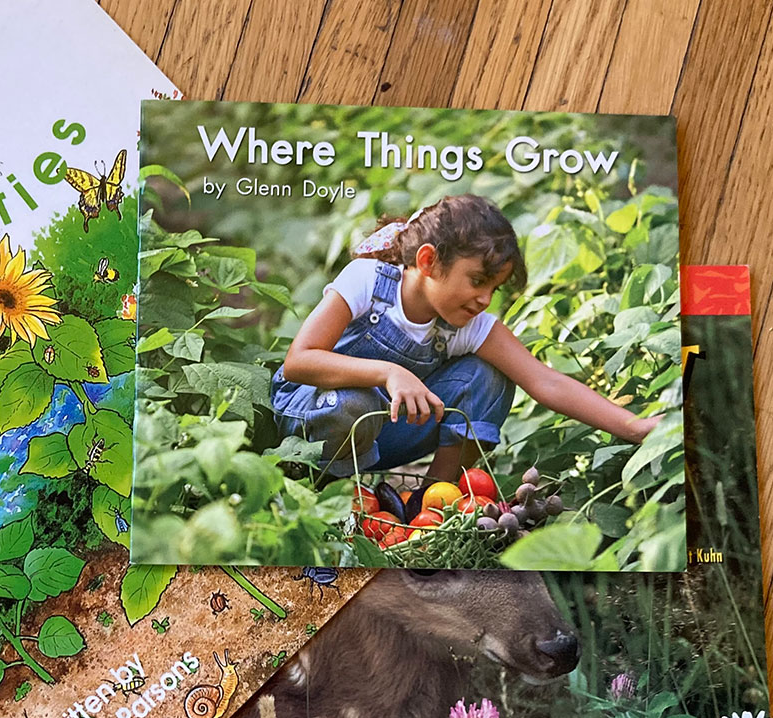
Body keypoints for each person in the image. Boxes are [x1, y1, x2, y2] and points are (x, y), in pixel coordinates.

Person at [272, 194, 660, 510]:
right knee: (354, 401)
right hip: (311, 420)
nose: (484, 299)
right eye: (477, 281)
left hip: (379, 435)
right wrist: (387, 373)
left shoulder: (465, 323)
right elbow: (298, 361)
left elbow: (546, 381)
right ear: (428, 261)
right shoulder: (368, 281)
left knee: (490, 377)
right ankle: (321, 499)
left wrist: (634, 427)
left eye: (494, 288)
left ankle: (429, 506)